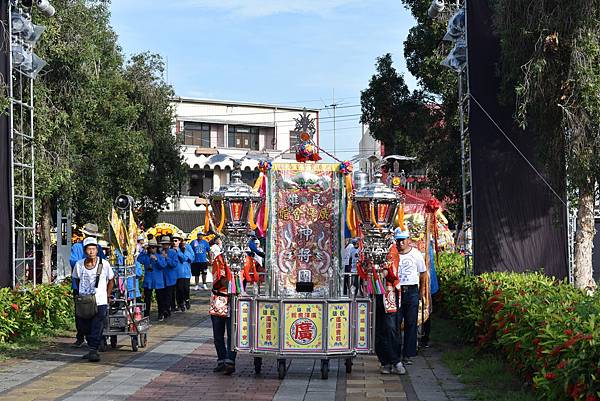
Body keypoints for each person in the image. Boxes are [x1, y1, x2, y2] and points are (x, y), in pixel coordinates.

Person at [72, 237, 114, 362]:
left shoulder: (104, 264)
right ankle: (91, 348)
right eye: (89, 249)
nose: (91, 252)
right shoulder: (79, 264)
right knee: (84, 326)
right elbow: (76, 279)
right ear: (85, 251)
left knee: (97, 325)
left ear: (97, 250)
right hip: (84, 301)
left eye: (94, 249)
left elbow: (111, 280)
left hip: (100, 300)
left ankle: (94, 350)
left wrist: (107, 294)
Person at [69, 223, 106, 348]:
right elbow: (74, 263)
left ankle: (96, 340)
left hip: (96, 288)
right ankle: (81, 336)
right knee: (81, 313)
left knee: (96, 313)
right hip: (80, 286)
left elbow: (103, 263)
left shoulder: (98, 248)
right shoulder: (77, 247)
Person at [394, 227, 427, 365]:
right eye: (399, 240)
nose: (401, 243)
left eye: (403, 240)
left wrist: (421, 292)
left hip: (412, 291)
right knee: (395, 323)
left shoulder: (416, 254)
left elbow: (423, 273)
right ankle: (395, 354)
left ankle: (408, 354)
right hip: (396, 291)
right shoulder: (393, 254)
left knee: (411, 323)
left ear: (408, 240)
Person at [375, 230, 405, 375]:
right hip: (373, 293)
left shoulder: (391, 248)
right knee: (378, 329)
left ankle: (396, 360)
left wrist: (380, 272)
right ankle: (384, 361)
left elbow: (391, 272)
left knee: (391, 328)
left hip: (389, 293)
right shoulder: (366, 245)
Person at [209, 236, 236, 375]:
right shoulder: (218, 260)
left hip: (235, 300)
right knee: (218, 334)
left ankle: (230, 361)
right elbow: (219, 281)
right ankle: (221, 359)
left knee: (233, 333)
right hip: (219, 299)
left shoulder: (243, 259)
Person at [138, 238, 167, 321]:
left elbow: (163, 265)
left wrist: (157, 260)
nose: (152, 249)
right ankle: (147, 315)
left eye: (154, 247)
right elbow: (139, 259)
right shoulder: (146, 256)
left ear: (156, 248)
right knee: (147, 299)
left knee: (160, 299)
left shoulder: (160, 256)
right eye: (150, 247)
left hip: (158, 281)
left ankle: (160, 314)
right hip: (148, 280)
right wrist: (143, 251)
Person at [173, 232, 194, 311]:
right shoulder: (172, 249)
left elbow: (191, 257)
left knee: (186, 288)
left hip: (186, 272)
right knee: (179, 289)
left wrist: (183, 253)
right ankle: (180, 303)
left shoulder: (187, 247)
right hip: (177, 272)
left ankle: (187, 300)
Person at [159, 235, 178, 316]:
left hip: (170, 278)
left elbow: (174, 264)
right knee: (162, 295)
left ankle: (167, 309)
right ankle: (164, 310)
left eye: (166, 244)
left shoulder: (173, 252)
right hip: (161, 278)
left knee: (168, 295)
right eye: (163, 244)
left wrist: (167, 258)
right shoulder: (159, 252)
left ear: (169, 244)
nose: (165, 246)